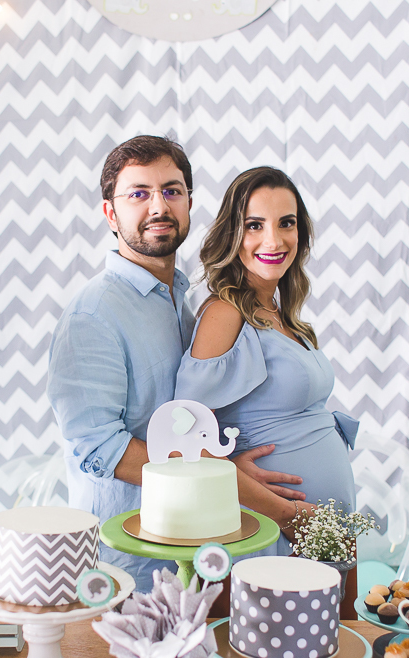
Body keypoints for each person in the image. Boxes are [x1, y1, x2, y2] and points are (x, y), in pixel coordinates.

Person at [47, 137, 305, 590]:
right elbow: (99, 448)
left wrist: (226, 467)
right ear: (110, 213)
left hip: (198, 550)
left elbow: (188, 422)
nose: (158, 206)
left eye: (171, 191)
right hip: (129, 562)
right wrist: (220, 481)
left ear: (188, 202)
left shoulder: (181, 303)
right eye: (139, 194)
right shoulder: (93, 314)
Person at [175, 166, 360, 555]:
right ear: (233, 235)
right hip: (272, 527)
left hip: (314, 528)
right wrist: (282, 509)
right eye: (254, 225)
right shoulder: (224, 314)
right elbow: (185, 436)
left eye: (286, 223)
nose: (273, 239)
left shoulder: (282, 313)